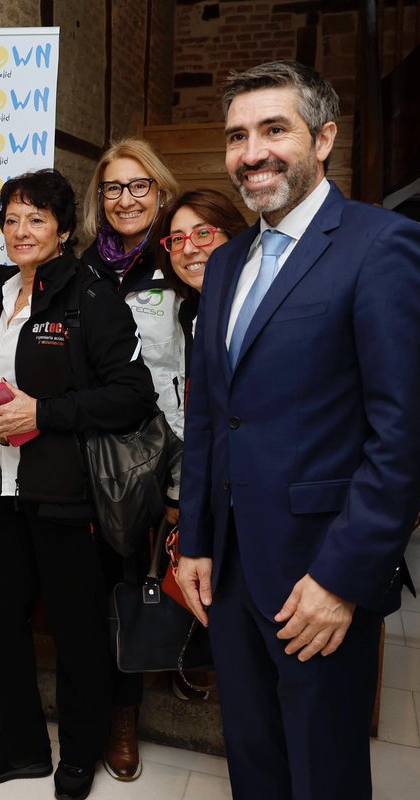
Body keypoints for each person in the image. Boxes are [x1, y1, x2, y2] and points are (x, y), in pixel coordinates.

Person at [175, 60, 420, 800]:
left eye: (274, 129)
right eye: (237, 135)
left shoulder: (383, 246)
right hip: (228, 571)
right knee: (254, 761)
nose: (251, 152)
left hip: (319, 577)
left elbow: (406, 436)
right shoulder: (226, 262)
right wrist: (195, 540)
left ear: (323, 138)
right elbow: (209, 413)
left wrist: (342, 579)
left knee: (323, 772)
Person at [0, 169, 155, 800]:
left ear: (65, 230)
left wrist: (42, 413)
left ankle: (79, 750)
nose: (22, 231)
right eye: (12, 218)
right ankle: (20, 744)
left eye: (37, 219)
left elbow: (132, 395)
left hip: (68, 496)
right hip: (7, 490)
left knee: (76, 630)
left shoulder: (91, 296)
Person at [77, 137, 181, 781]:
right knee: (98, 592)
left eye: (139, 186)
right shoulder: (82, 266)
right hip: (93, 454)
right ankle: (103, 711)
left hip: (166, 453)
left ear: (160, 192)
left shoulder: (186, 263)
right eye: (113, 188)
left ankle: (127, 713)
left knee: (142, 583)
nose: (126, 199)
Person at [155, 189, 248, 702]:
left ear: (236, 237)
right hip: (214, 501)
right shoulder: (193, 314)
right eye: (177, 239)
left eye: (205, 234)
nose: (190, 248)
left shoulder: (258, 309)